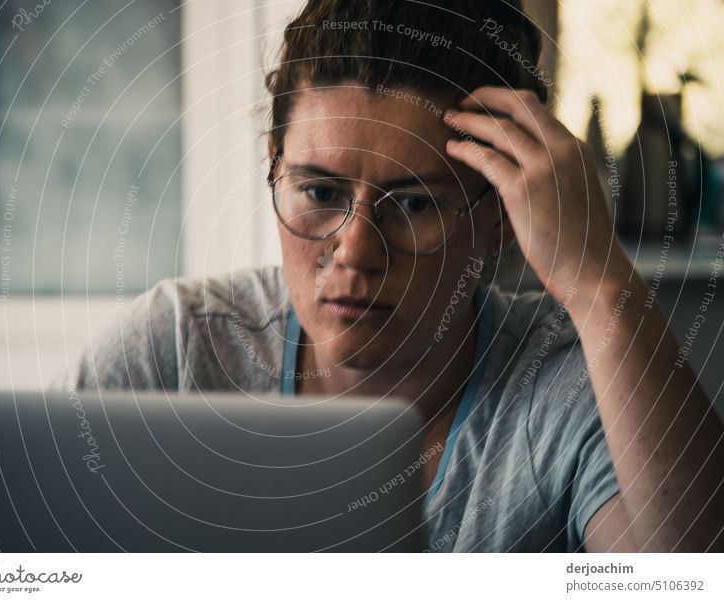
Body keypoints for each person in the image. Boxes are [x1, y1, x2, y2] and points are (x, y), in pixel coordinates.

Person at [53, 0, 724, 552]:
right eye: (318, 193)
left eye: (412, 204)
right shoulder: (175, 353)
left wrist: (602, 284)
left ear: (495, 215)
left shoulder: (564, 389)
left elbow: (693, 572)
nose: (353, 253)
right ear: (273, 165)